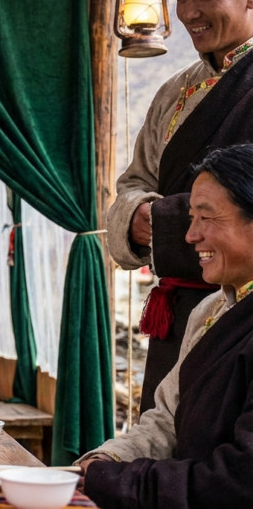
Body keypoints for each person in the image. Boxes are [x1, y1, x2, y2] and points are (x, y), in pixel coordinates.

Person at [107, 0, 253, 412]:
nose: (190, 13)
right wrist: (134, 216)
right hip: (176, 313)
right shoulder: (175, 92)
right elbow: (132, 183)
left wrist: (167, 221)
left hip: (243, 311)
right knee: (162, 432)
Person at [79, 143, 253, 507]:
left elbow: (238, 481)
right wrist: (105, 462)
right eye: (191, 218)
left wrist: (115, 482)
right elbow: (165, 421)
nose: (190, 236)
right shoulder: (212, 310)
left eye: (206, 218)